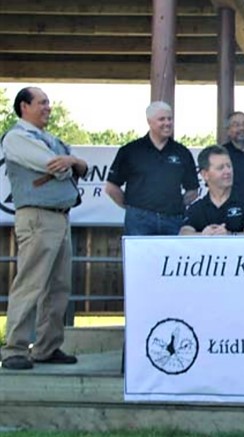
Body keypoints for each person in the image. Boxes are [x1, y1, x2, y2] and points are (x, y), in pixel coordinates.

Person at [0, 87, 87, 370]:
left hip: (60, 217)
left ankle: (47, 347)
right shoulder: (16, 137)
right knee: (31, 283)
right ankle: (14, 349)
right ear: (24, 106)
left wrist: (72, 161)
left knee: (59, 286)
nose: (48, 107)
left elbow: (79, 166)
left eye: (48, 102)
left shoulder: (50, 138)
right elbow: (57, 167)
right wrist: (69, 164)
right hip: (37, 218)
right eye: (42, 102)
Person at [106, 101, 199, 235]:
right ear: (149, 122)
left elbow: (193, 190)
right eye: (162, 119)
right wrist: (132, 207)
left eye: (170, 119)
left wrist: (175, 205)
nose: (167, 123)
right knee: (139, 257)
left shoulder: (182, 152)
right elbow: (111, 188)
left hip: (173, 220)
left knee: (171, 256)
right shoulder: (130, 151)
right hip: (139, 221)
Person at [179, 146, 244, 236]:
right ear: (205, 174)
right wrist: (202, 235)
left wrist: (228, 235)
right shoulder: (197, 208)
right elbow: (184, 232)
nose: (228, 171)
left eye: (229, 166)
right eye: (220, 168)